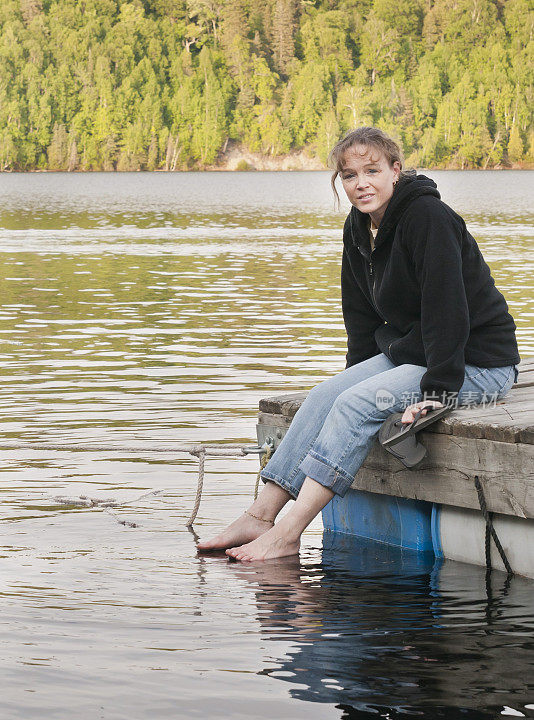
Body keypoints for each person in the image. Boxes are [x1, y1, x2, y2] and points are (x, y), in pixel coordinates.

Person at [197, 126, 520, 562]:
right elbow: (361, 317)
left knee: (356, 405)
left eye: (372, 170)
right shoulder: (359, 226)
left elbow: (449, 312)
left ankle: (289, 533)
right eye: (349, 175)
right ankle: (260, 515)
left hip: (477, 364)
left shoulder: (429, 218)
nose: (361, 183)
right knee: (325, 396)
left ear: (395, 170)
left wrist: (437, 393)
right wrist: (354, 376)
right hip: (415, 351)